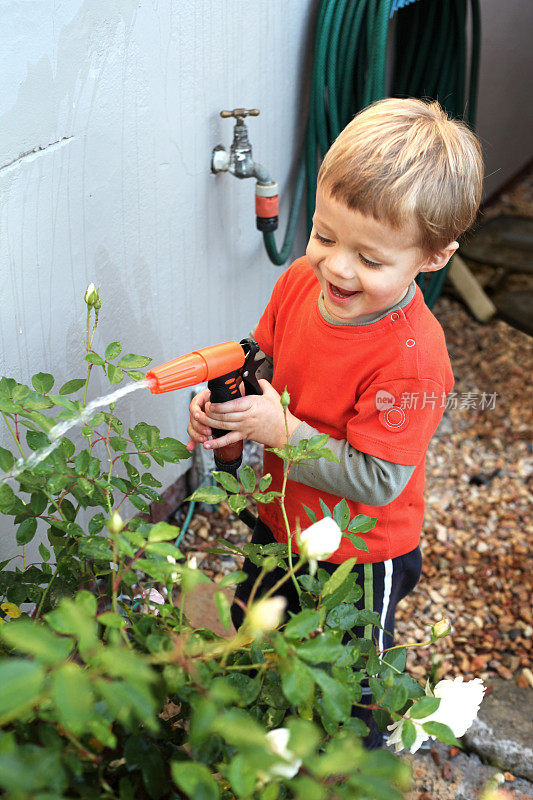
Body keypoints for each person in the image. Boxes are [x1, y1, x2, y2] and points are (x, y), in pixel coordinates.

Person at [186, 98, 484, 746]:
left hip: (360, 551)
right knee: (255, 629)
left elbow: (380, 480)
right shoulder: (300, 280)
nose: (337, 266)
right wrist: (227, 400)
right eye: (323, 234)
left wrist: (282, 432)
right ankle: (257, 745)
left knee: (350, 682)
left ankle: (347, 769)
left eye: (371, 260)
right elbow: (262, 352)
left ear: (431, 257)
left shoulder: (412, 358)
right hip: (280, 515)